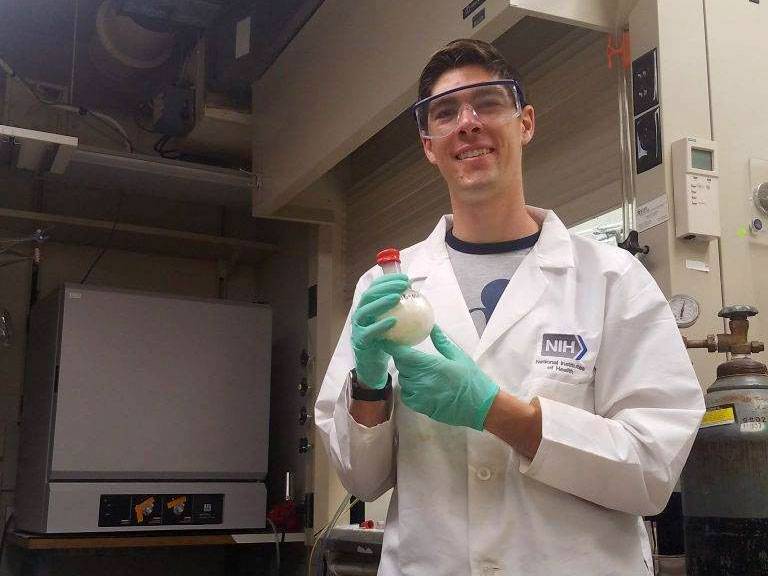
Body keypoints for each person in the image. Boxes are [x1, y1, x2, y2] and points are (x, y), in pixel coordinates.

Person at [315, 38, 704, 576]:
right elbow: (361, 480)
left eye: (488, 103)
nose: (468, 122)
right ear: (430, 145)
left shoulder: (612, 279)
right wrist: (370, 388)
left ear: (525, 123)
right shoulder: (387, 285)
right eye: (446, 113)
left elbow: (653, 470)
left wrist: (494, 411)